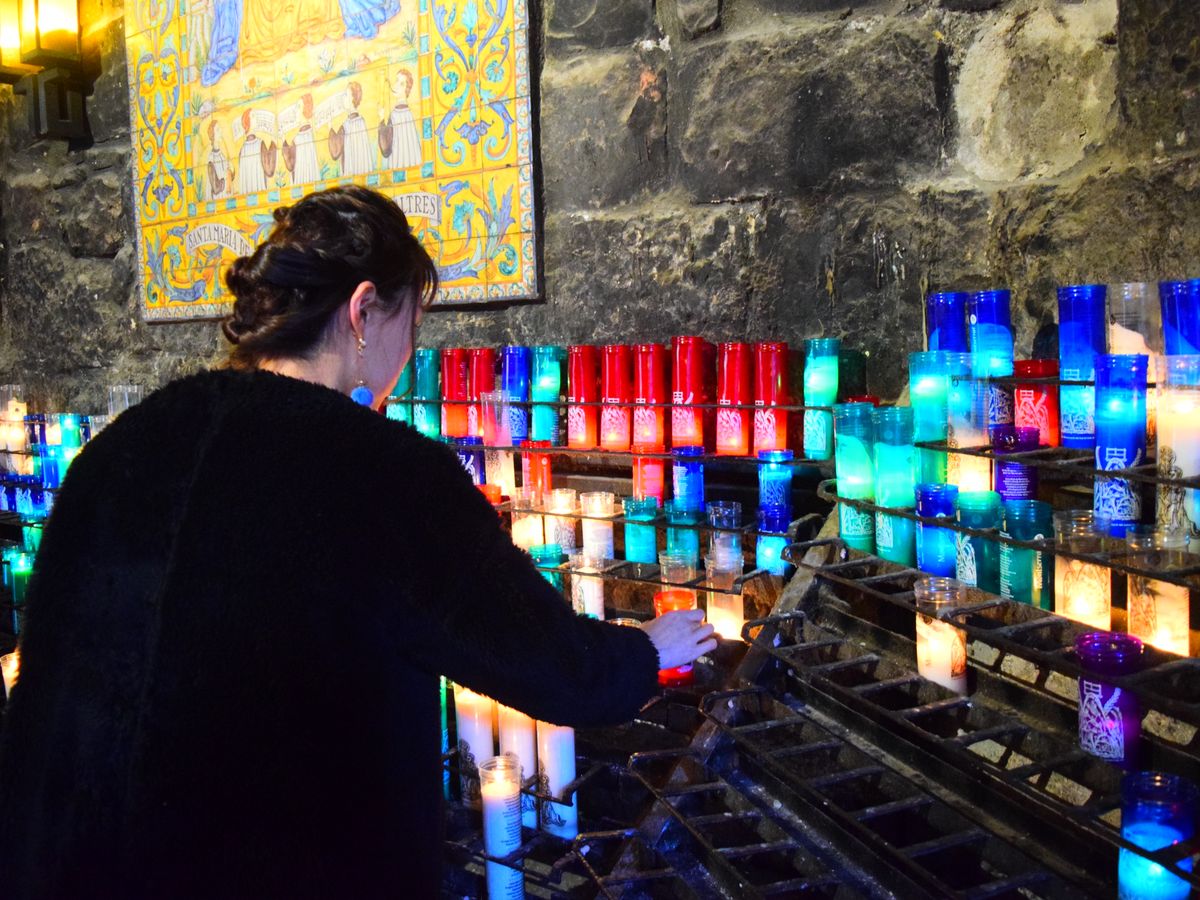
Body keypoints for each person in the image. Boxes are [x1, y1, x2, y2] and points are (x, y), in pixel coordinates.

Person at [0, 186, 715, 899]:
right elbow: (541, 659)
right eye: (413, 324)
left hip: (70, 863)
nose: (410, 350)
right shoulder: (381, 471)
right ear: (364, 310)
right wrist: (643, 652)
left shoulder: (123, 446)